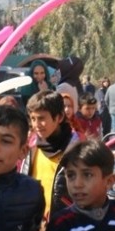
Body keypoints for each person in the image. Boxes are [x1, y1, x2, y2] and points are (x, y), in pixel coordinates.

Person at [22, 90, 78, 221]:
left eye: (41, 118)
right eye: (33, 118)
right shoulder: (33, 147)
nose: (36, 125)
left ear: (59, 117)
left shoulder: (76, 150)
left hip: (65, 224)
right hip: (35, 223)